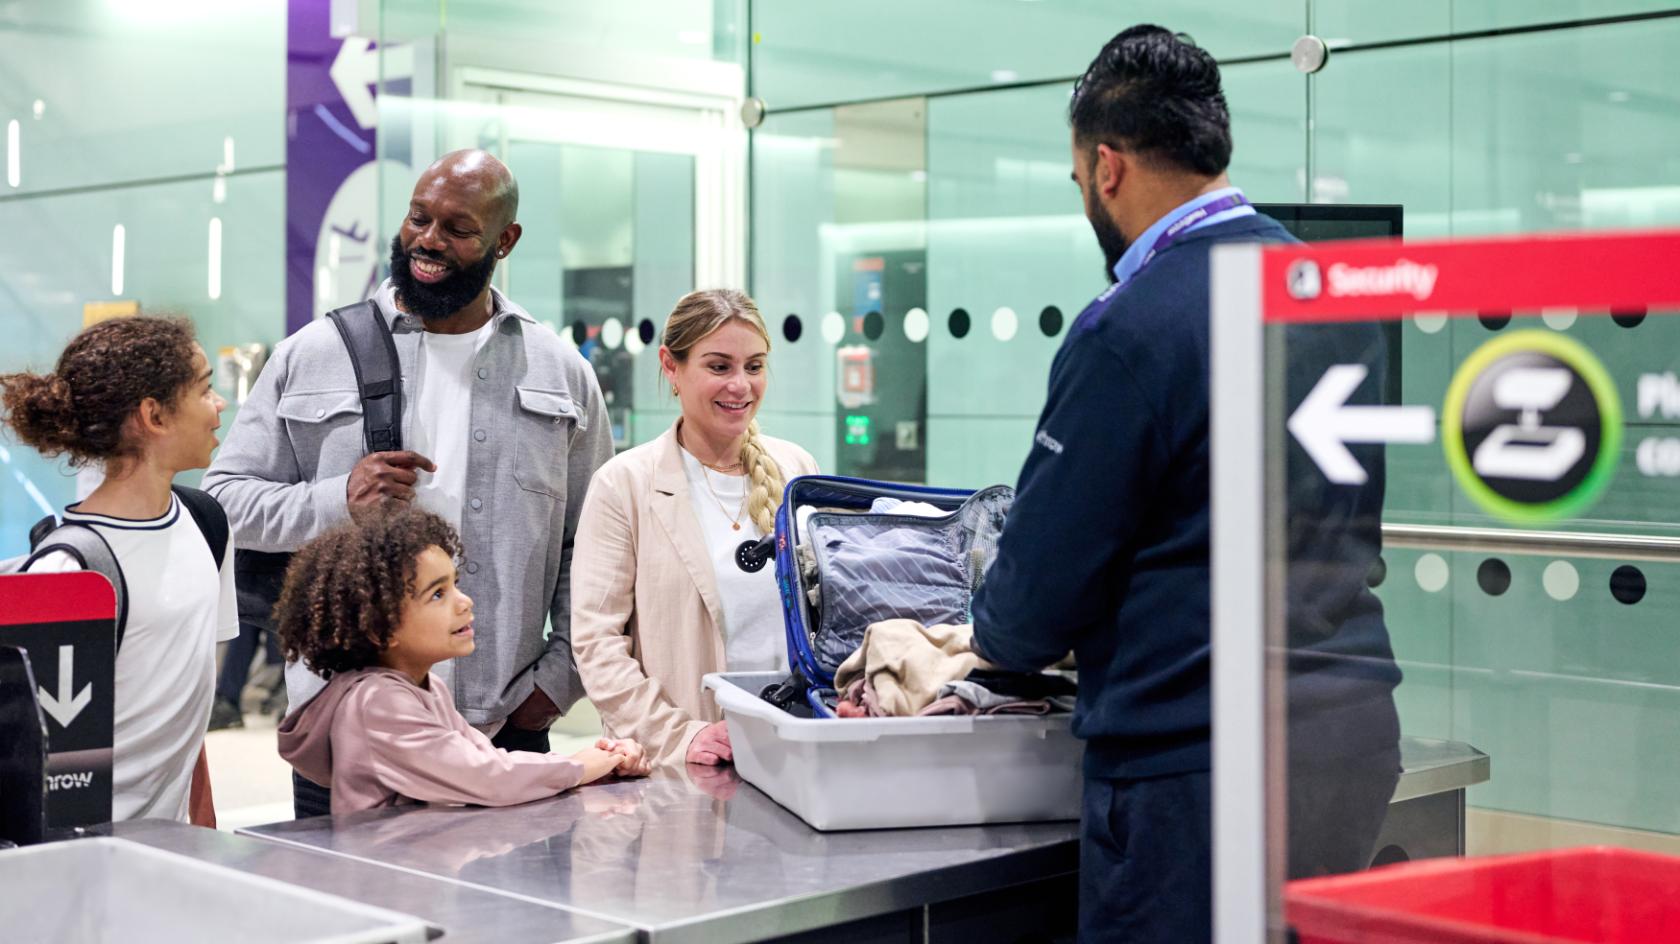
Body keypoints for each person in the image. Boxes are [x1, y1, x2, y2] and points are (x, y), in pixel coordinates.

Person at [970, 26, 1401, 942]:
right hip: (1349, 737)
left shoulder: (1127, 330)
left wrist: (985, 628)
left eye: (1079, 177)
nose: (1085, 193)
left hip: (1197, 768)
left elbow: (1032, 601)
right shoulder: (1329, 290)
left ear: (1109, 167)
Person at [204, 149, 616, 817]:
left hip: (508, 728)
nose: (427, 240)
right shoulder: (314, 353)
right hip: (347, 723)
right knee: (355, 916)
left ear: (504, 241)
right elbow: (222, 502)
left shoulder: (560, 373)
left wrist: (558, 682)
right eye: (418, 218)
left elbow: (591, 549)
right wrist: (336, 500)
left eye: (457, 228)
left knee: (503, 922)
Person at [1, 315, 236, 824]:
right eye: (205, 390)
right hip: (80, 862)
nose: (219, 406)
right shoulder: (68, 571)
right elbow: (37, 764)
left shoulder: (208, 523)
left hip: (166, 854)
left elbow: (189, 718)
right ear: (154, 415)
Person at [571, 289, 819, 767]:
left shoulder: (796, 469)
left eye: (754, 366)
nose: (741, 386)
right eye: (719, 366)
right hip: (684, 763)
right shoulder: (624, 485)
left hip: (794, 750)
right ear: (671, 366)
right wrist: (681, 737)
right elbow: (597, 645)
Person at [275, 509, 651, 816]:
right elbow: (483, 776)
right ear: (380, 626)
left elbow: (485, 757)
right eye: (438, 593)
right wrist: (580, 767)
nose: (464, 601)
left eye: (455, 584)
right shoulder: (376, 703)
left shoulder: (427, 686)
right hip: (387, 893)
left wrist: (597, 763)